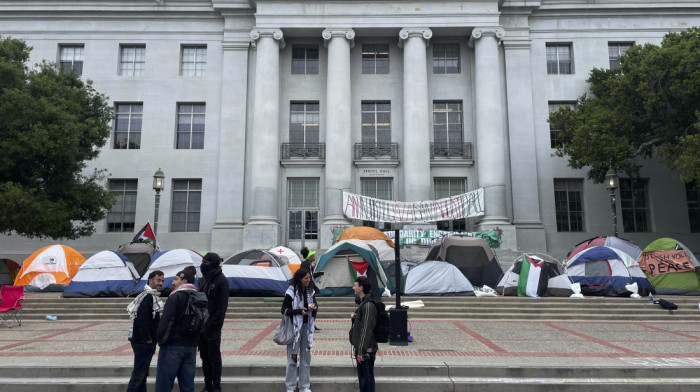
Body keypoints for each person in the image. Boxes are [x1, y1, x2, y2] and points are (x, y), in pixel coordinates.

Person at [155, 266, 200, 392]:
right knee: (187, 386)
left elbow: (166, 321)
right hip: (191, 346)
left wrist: (159, 339)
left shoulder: (175, 297)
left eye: (175, 279)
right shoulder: (199, 297)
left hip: (172, 346)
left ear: (184, 281)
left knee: (164, 385)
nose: (173, 283)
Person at [126, 270, 164, 392]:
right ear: (150, 280)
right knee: (139, 374)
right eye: (158, 280)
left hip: (142, 341)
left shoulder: (150, 296)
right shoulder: (147, 297)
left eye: (162, 281)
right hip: (142, 342)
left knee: (142, 373)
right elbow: (142, 321)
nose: (161, 283)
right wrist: (148, 339)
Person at [281, 268, 318, 392]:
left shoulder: (310, 291)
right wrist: (298, 311)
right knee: (292, 359)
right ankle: (290, 387)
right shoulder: (291, 291)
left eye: (309, 278)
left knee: (306, 358)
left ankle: (304, 386)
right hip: (295, 329)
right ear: (299, 279)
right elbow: (284, 310)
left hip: (307, 328)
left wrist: (314, 307)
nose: (308, 280)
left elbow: (315, 305)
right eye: (306, 278)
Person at [198, 252, 229, 392]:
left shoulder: (221, 280)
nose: (202, 266)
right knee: (205, 357)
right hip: (201, 326)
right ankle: (208, 385)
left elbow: (221, 308)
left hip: (213, 328)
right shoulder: (203, 279)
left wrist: (212, 325)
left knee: (214, 357)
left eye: (206, 263)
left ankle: (216, 386)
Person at [350, 276, 377, 392]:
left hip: (366, 351)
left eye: (355, 285)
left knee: (367, 381)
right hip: (363, 349)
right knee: (364, 380)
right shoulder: (363, 304)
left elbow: (366, 329)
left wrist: (361, 351)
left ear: (361, 288)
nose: (353, 288)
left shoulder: (368, 305)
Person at [300, 247, 321, 331]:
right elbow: (307, 278)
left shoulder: (309, 266)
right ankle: (310, 325)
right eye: (312, 255)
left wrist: (319, 273)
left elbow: (311, 276)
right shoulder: (305, 266)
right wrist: (315, 288)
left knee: (312, 307)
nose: (314, 256)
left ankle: (310, 324)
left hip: (309, 290)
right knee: (313, 306)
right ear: (309, 257)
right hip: (306, 290)